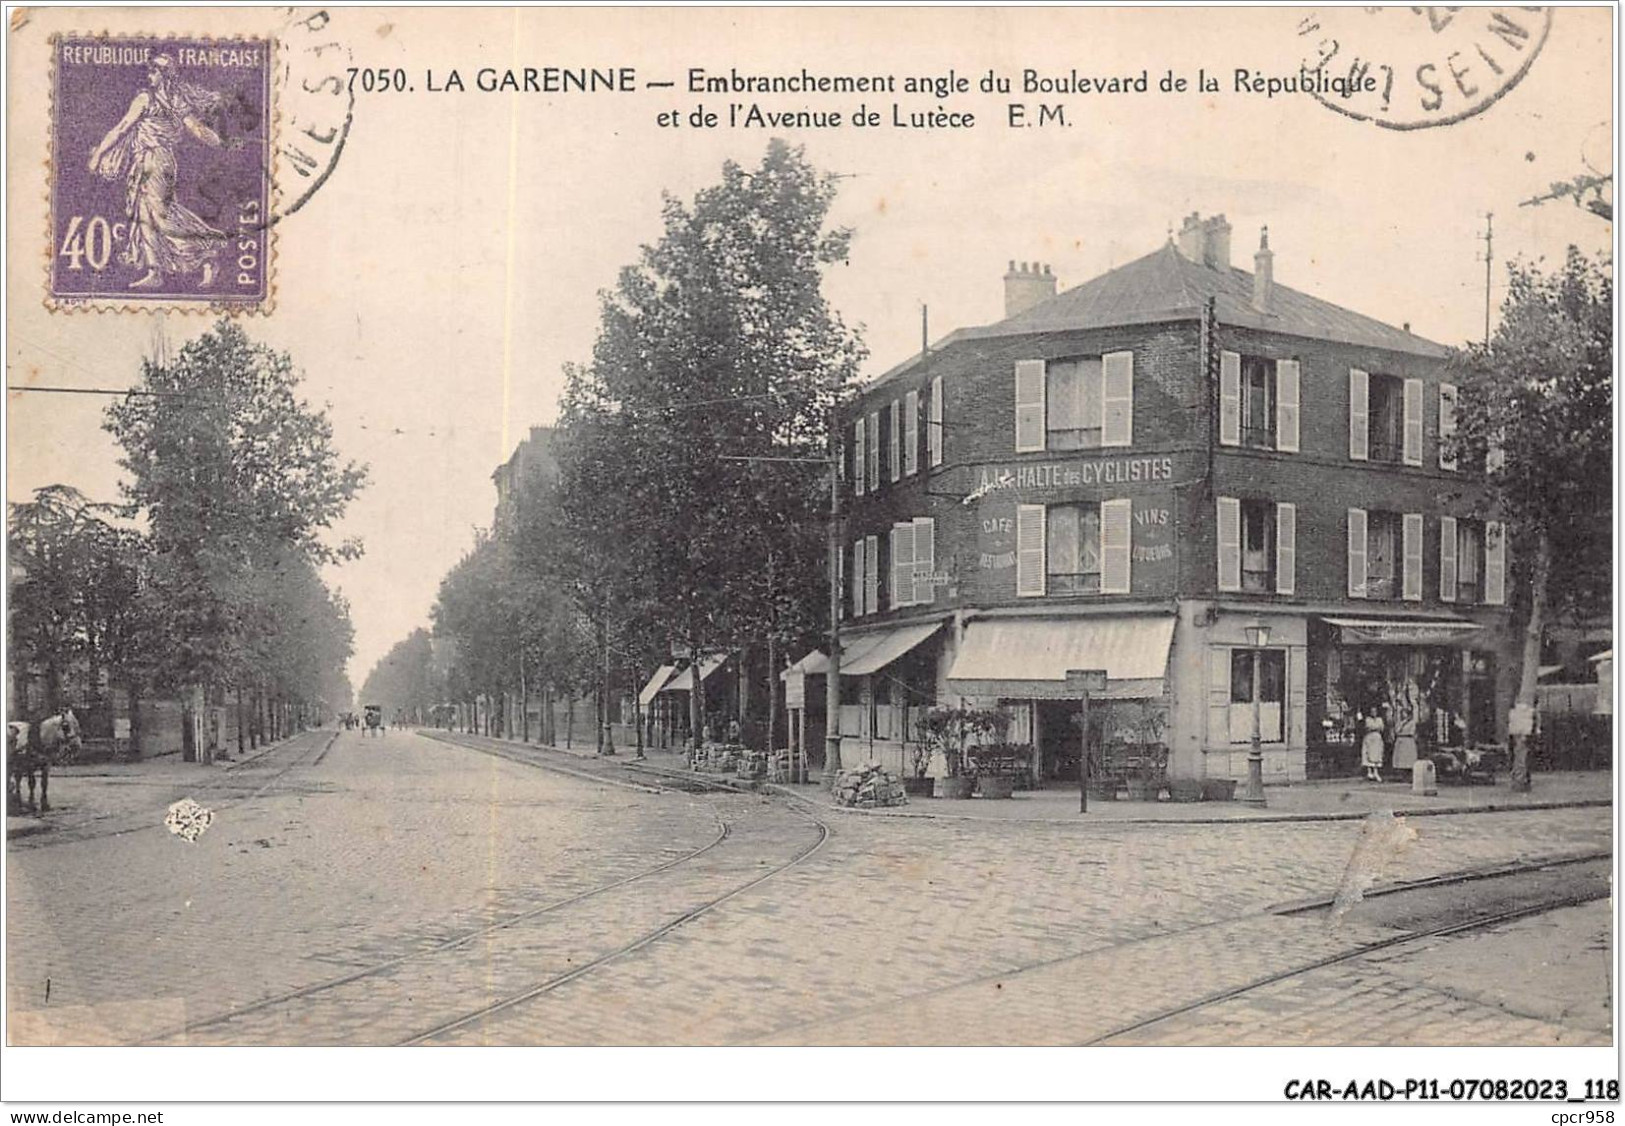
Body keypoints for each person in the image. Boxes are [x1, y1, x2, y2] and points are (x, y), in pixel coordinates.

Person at [87, 55, 230, 290]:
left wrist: (98, 154)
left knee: (162, 215)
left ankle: (207, 250)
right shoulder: (170, 100)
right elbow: (196, 128)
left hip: (157, 161)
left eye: (154, 72)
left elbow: (122, 128)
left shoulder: (155, 99)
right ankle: (155, 271)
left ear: (164, 74)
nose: (149, 76)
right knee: (144, 214)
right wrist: (217, 140)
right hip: (145, 161)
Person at [1360, 708, 1386, 782]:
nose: (1374, 713)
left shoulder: (1379, 719)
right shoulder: (1368, 719)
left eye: (1375, 711)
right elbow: (1369, 727)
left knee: (1377, 755)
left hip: (1377, 738)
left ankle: (1376, 772)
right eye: (1372, 711)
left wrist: (1375, 727)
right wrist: (1375, 727)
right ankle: (1369, 772)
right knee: (1369, 754)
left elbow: (1381, 727)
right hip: (1370, 738)